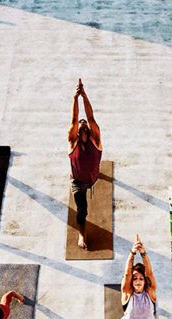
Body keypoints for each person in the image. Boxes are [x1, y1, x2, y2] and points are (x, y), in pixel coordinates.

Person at [67, 78, 103, 250]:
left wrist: (84, 95)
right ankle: (82, 234)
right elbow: (75, 118)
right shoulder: (72, 143)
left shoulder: (95, 140)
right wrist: (75, 98)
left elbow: (90, 116)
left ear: (88, 129)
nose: (82, 125)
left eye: (85, 124)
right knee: (82, 210)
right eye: (80, 126)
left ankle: (98, 174)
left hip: (93, 176)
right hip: (78, 182)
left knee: (94, 171)